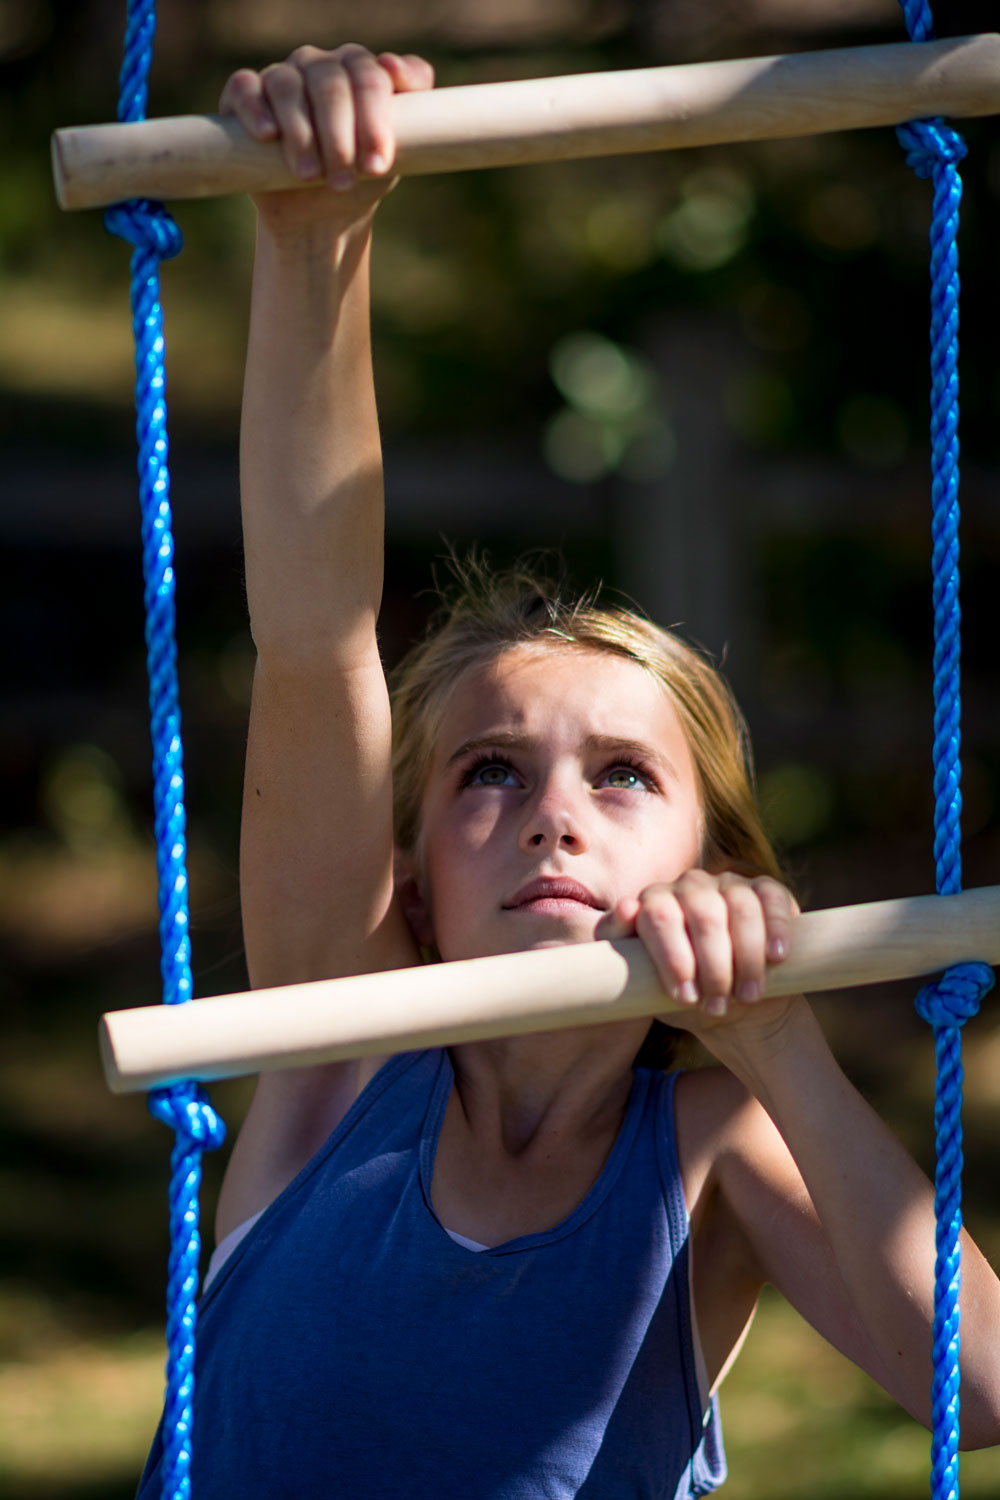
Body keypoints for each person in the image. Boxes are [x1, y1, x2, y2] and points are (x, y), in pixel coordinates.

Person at [137, 44, 1000, 1499]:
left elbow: (977, 1394)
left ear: (711, 860)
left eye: (621, 777)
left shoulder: (714, 1142)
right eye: (487, 771)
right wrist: (314, 236)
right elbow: (312, 631)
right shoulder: (339, 1050)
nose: (548, 813)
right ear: (405, 870)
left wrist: (773, 1032)